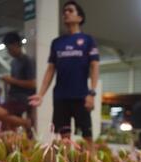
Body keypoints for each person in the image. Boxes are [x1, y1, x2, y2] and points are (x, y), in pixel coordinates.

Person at [29, 1, 100, 140]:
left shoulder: (88, 40)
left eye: (70, 10)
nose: (65, 13)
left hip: (81, 97)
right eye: (64, 11)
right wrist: (41, 94)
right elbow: (50, 70)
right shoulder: (57, 42)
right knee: (64, 140)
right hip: (61, 98)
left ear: (80, 17)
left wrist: (92, 93)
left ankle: (89, 160)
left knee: (87, 138)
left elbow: (95, 67)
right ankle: (67, 161)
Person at [0, 32, 36, 131]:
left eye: (9, 49)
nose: (8, 52)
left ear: (16, 45)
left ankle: (26, 123)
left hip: (22, 99)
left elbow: (32, 84)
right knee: (8, 129)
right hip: (13, 98)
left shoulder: (27, 61)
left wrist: (11, 80)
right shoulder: (13, 62)